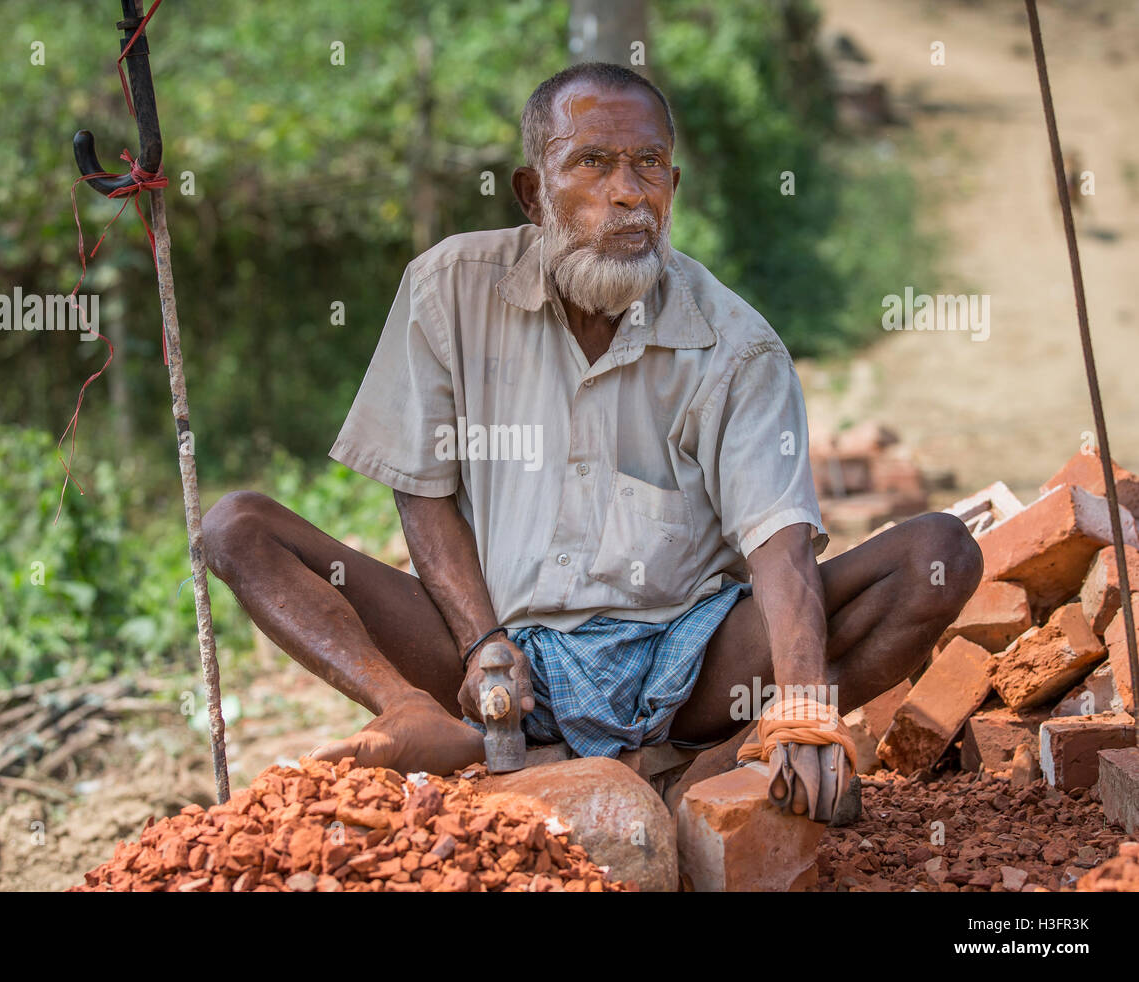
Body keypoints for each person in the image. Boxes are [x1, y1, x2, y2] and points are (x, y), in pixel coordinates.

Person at [201, 63, 982, 813]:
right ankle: (414, 713)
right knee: (237, 528)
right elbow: (424, 490)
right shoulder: (449, 290)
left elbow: (779, 540)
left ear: (673, 190)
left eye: (649, 165)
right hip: (499, 660)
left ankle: (713, 769)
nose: (627, 193)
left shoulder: (738, 345)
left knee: (938, 554)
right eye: (593, 164)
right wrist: (481, 645)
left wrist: (804, 703)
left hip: (691, 665)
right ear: (533, 192)